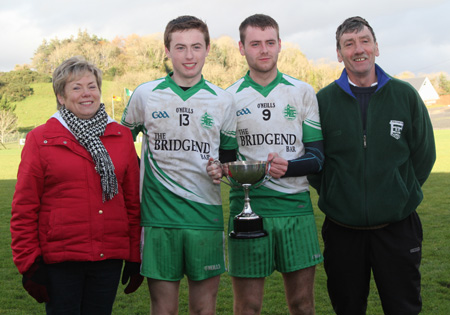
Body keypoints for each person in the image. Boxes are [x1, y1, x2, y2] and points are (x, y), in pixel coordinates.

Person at [308, 16, 436, 314]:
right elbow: (317, 164)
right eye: (349, 44)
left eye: (365, 41)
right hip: (342, 231)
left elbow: (424, 155)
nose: (359, 49)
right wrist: (338, 193)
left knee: (403, 307)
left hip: (397, 228)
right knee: (348, 307)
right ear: (339, 54)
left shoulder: (405, 95)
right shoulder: (323, 101)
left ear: (376, 47)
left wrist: (398, 192)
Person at [207, 14, 324, 315]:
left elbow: (317, 157)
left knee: (302, 304)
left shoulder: (302, 91)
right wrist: (220, 167)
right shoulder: (228, 97)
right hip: (247, 207)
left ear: (279, 45)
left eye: (270, 42)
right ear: (241, 48)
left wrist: (290, 167)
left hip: (294, 207)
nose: (264, 50)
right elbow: (226, 157)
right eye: (255, 43)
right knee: (247, 306)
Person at [121, 15, 237, 315]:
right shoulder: (145, 95)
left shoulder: (223, 100)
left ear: (208, 49)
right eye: (181, 47)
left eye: (196, 47)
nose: (189, 56)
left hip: (204, 218)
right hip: (158, 219)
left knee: (204, 309)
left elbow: (229, 158)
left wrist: (221, 169)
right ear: (167, 50)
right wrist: (134, 173)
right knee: (163, 309)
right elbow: (119, 145)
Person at [10, 56, 143, 314]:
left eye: (92, 86)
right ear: (61, 96)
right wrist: (28, 263)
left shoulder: (120, 135)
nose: (87, 94)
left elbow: (132, 203)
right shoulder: (41, 138)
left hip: (108, 259)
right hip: (60, 260)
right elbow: (24, 207)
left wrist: (135, 255)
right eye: (77, 87)